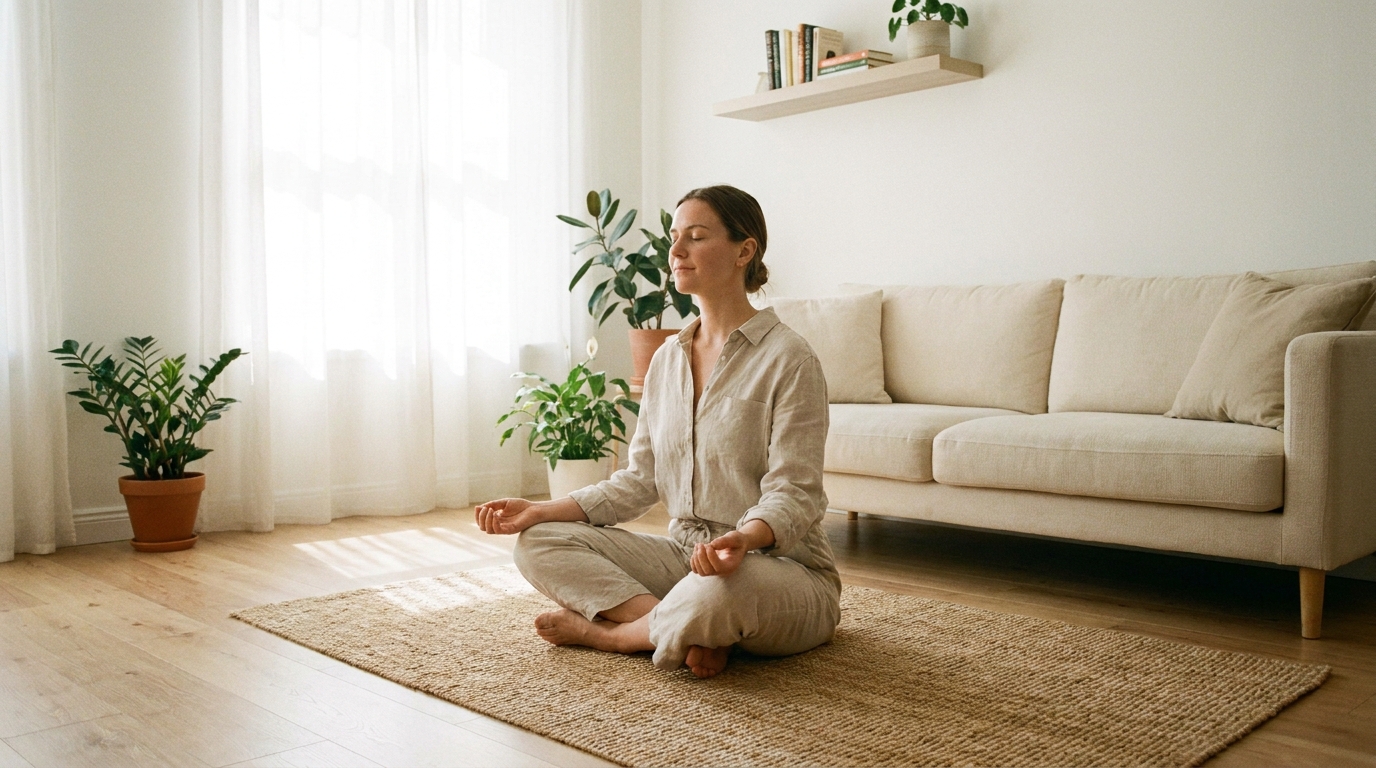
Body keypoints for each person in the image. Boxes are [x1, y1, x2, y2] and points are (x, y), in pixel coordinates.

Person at [475, 185, 839, 678]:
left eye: (696, 236)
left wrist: (743, 542)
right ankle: (685, 627)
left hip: (777, 569)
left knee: (722, 588)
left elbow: (795, 493)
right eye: (674, 237)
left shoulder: (789, 358)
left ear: (744, 250)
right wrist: (540, 509)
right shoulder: (667, 359)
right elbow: (638, 481)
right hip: (684, 560)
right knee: (540, 541)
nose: (676, 251)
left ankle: (618, 636)